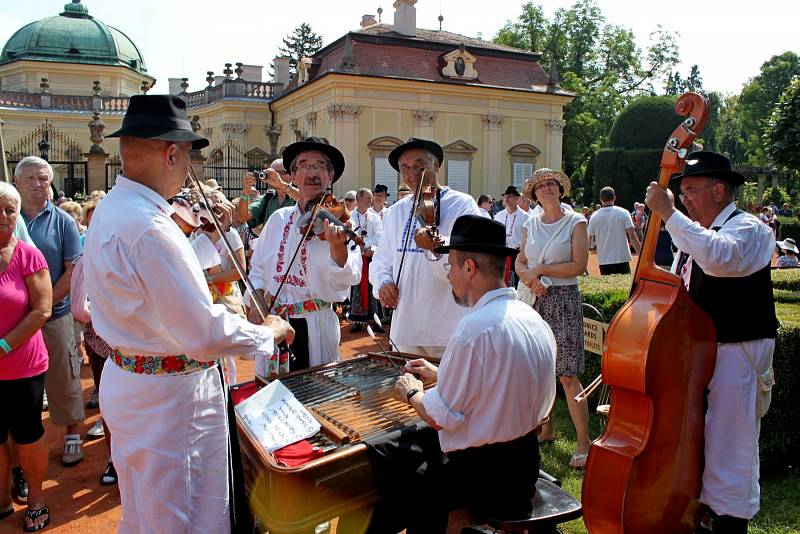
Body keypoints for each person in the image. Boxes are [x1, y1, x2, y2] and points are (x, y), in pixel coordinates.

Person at [84, 95, 293, 533]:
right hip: (170, 398)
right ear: (172, 152)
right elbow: (202, 331)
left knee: (142, 511)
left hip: (131, 383)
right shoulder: (152, 227)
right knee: (186, 514)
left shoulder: (111, 209)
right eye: (189, 157)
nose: (189, 170)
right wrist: (266, 333)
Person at [365, 214, 557, 533]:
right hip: (524, 463)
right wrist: (441, 374)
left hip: (482, 476)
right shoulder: (530, 317)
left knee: (388, 475)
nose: (450, 275)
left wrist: (412, 391)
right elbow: (501, 384)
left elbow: (442, 418)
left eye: (450, 266)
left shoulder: (472, 330)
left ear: (468, 268)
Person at [645, 151, 778, 533]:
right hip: (702, 355)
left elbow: (721, 259)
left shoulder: (749, 229)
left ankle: (728, 523)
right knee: (703, 442)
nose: (683, 198)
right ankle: (697, 510)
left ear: (719, 190)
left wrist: (670, 214)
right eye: (681, 192)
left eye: (690, 190)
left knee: (730, 447)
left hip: (737, 352)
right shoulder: (695, 235)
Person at [248, 137, 361, 371]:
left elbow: (348, 280)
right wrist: (256, 302)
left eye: (320, 165)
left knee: (316, 397)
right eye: (304, 166)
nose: (312, 173)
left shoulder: (339, 221)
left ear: (330, 176)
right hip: (276, 324)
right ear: (293, 176)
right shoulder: (278, 220)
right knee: (274, 395)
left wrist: (338, 250)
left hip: (316, 327)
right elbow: (257, 269)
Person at [370, 138, 480, 358]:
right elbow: (382, 260)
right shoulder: (397, 211)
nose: (412, 175)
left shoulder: (462, 204)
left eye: (420, 167)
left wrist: (436, 248)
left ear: (436, 165)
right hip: (405, 326)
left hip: (446, 326)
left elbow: (470, 258)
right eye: (405, 168)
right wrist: (383, 283)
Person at [515, 168, 591, 468]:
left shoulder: (576, 222)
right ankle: (546, 429)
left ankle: (584, 441)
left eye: (551, 184)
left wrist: (540, 271)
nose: (546, 189)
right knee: (538, 370)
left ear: (560, 190)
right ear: (534, 195)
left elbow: (578, 265)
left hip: (563, 300)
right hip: (534, 298)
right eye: (541, 186)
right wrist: (530, 277)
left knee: (568, 374)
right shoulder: (530, 224)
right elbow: (521, 261)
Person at [15, 157, 84, 467]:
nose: (36, 184)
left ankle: (72, 433)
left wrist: (41, 307)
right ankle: (22, 445)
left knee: (64, 375)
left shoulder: (63, 222)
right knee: (20, 384)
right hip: (16, 323)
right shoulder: (8, 220)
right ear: (16, 183)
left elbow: (72, 271)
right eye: (29, 178)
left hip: (56, 314)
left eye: (43, 178)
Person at [0, 182, 52, 532]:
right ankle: (2, 499)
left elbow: (42, 310)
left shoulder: (28, 255)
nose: (4, 216)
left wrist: (2, 347)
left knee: (27, 434)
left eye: (9, 209)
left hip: (23, 366)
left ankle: (36, 499)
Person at [348, 188, 383, 332]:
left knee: (372, 285)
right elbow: (348, 234)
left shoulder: (374, 217)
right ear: (359, 199)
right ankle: (357, 320)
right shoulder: (350, 216)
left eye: (371, 198)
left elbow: (380, 235)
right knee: (356, 285)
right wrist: (359, 247)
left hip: (370, 256)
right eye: (368, 198)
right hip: (355, 255)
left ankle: (375, 319)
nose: (371, 200)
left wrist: (367, 246)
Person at [237, 158, 298, 237]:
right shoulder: (267, 198)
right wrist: (245, 192)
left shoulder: (299, 193)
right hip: (272, 247)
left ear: (291, 175)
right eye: (273, 173)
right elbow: (242, 217)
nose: (276, 176)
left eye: (281, 172)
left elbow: (306, 200)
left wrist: (282, 185)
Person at [588, 186, 641, 275]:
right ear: (614, 198)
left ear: (600, 199)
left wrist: (591, 248)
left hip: (604, 260)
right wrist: (640, 254)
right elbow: (632, 236)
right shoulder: (624, 213)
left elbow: (589, 237)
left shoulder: (594, 216)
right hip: (622, 258)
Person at [495, 185, 528, 287]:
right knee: (501, 280)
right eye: (505, 196)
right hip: (502, 253)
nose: (507, 199)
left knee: (517, 281)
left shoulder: (525, 217)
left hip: (517, 253)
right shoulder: (499, 215)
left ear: (517, 199)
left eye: (510, 196)